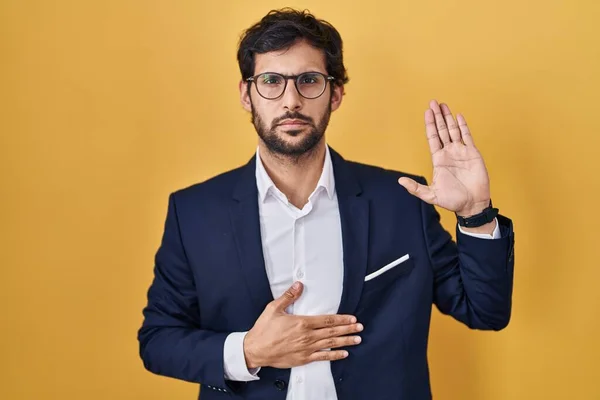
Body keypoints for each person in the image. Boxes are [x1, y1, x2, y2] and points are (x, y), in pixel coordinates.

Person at [137, 7, 515, 400]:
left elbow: (485, 311)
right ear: (246, 94)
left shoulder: (400, 200)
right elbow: (159, 340)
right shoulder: (194, 212)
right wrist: (247, 351)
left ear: (335, 94)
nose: (291, 100)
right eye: (270, 81)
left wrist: (475, 213)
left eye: (309, 80)